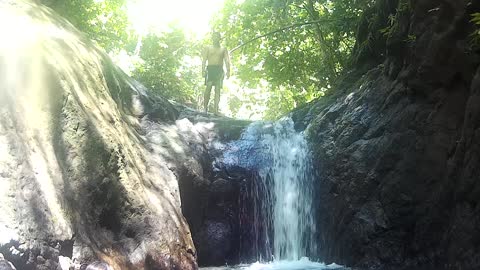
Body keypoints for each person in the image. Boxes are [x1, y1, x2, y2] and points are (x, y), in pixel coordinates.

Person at [202, 32, 231, 114]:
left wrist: (228, 71)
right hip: (210, 69)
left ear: (219, 38)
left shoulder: (223, 49)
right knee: (208, 87)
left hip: (219, 70)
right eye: (214, 37)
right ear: (212, 38)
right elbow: (204, 59)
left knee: (217, 89)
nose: (215, 38)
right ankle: (205, 108)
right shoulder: (208, 48)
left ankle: (215, 110)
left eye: (217, 37)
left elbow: (227, 60)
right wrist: (202, 70)